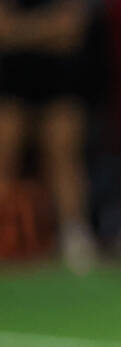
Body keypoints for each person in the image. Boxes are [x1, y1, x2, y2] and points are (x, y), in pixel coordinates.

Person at [0, 0, 102, 272]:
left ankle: (74, 236)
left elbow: (71, 30)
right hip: (10, 77)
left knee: (63, 152)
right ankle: (6, 235)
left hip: (60, 77)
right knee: (4, 152)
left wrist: (19, 33)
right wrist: (47, 30)